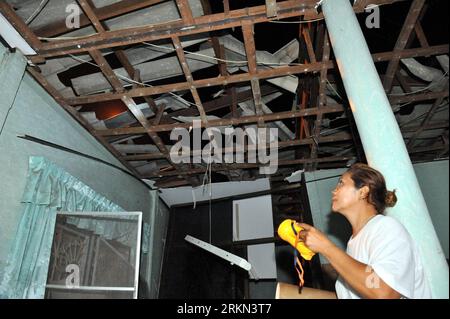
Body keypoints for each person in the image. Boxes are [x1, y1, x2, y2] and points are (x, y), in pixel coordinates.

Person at [297, 163, 432, 299]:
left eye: (341, 183)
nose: (334, 190)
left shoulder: (386, 228)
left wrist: (326, 247)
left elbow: (385, 293)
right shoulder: (353, 244)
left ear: (363, 192)